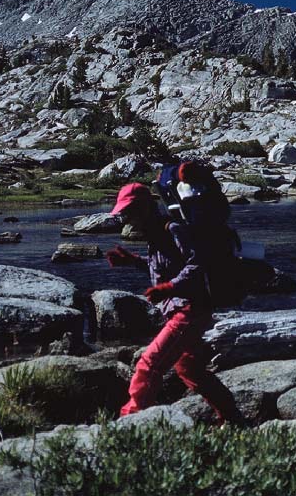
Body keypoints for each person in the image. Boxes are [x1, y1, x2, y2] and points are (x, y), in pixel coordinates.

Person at [105, 182, 242, 424]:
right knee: (189, 368)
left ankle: (131, 423)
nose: (126, 219)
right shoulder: (155, 231)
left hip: (190, 309)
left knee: (149, 364)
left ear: (145, 207)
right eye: (124, 214)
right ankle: (232, 419)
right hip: (182, 308)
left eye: (129, 212)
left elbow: (198, 264)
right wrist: (134, 261)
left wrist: (170, 287)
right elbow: (166, 264)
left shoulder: (173, 228)